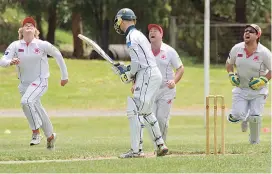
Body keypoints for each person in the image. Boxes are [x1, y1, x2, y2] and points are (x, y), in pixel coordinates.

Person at [0, 17, 69, 149]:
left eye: (31, 25)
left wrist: (64, 76)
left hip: (40, 81)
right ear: (21, 30)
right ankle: (50, 136)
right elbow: (2, 61)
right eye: (26, 25)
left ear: (35, 30)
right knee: (36, 108)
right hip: (24, 84)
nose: (29, 26)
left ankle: (36, 132)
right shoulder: (15, 45)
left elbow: (58, 55)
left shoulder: (41, 44)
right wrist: (10, 62)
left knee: (26, 102)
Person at [113, 8, 168, 158]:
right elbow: (140, 61)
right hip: (152, 73)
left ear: (122, 20)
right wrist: (126, 68)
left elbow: (137, 62)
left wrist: (129, 74)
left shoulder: (131, 36)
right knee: (146, 111)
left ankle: (136, 150)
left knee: (134, 109)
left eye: (118, 21)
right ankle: (160, 144)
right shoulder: (139, 35)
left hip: (147, 74)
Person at [131, 24, 184, 145]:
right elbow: (139, 68)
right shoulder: (145, 51)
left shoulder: (169, 51)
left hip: (166, 90)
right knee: (151, 119)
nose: (152, 32)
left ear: (161, 35)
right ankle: (158, 146)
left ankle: (162, 145)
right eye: (150, 31)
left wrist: (174, 81)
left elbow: (180, 68)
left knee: (161, 119)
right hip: (151, 90)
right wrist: (135, 84)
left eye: (155, 30)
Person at [226, 24, 271, 144]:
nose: (247, 33)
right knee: (236, 116)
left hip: (258, 90)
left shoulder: (264, 52)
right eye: (245, 31)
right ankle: (244, 118)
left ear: (257, 36)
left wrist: (264, 80)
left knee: (255, 117)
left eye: (251, 31)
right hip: (241, 89)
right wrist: (231, 75)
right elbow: (229, 64)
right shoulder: (237, 48)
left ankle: (254, 143)